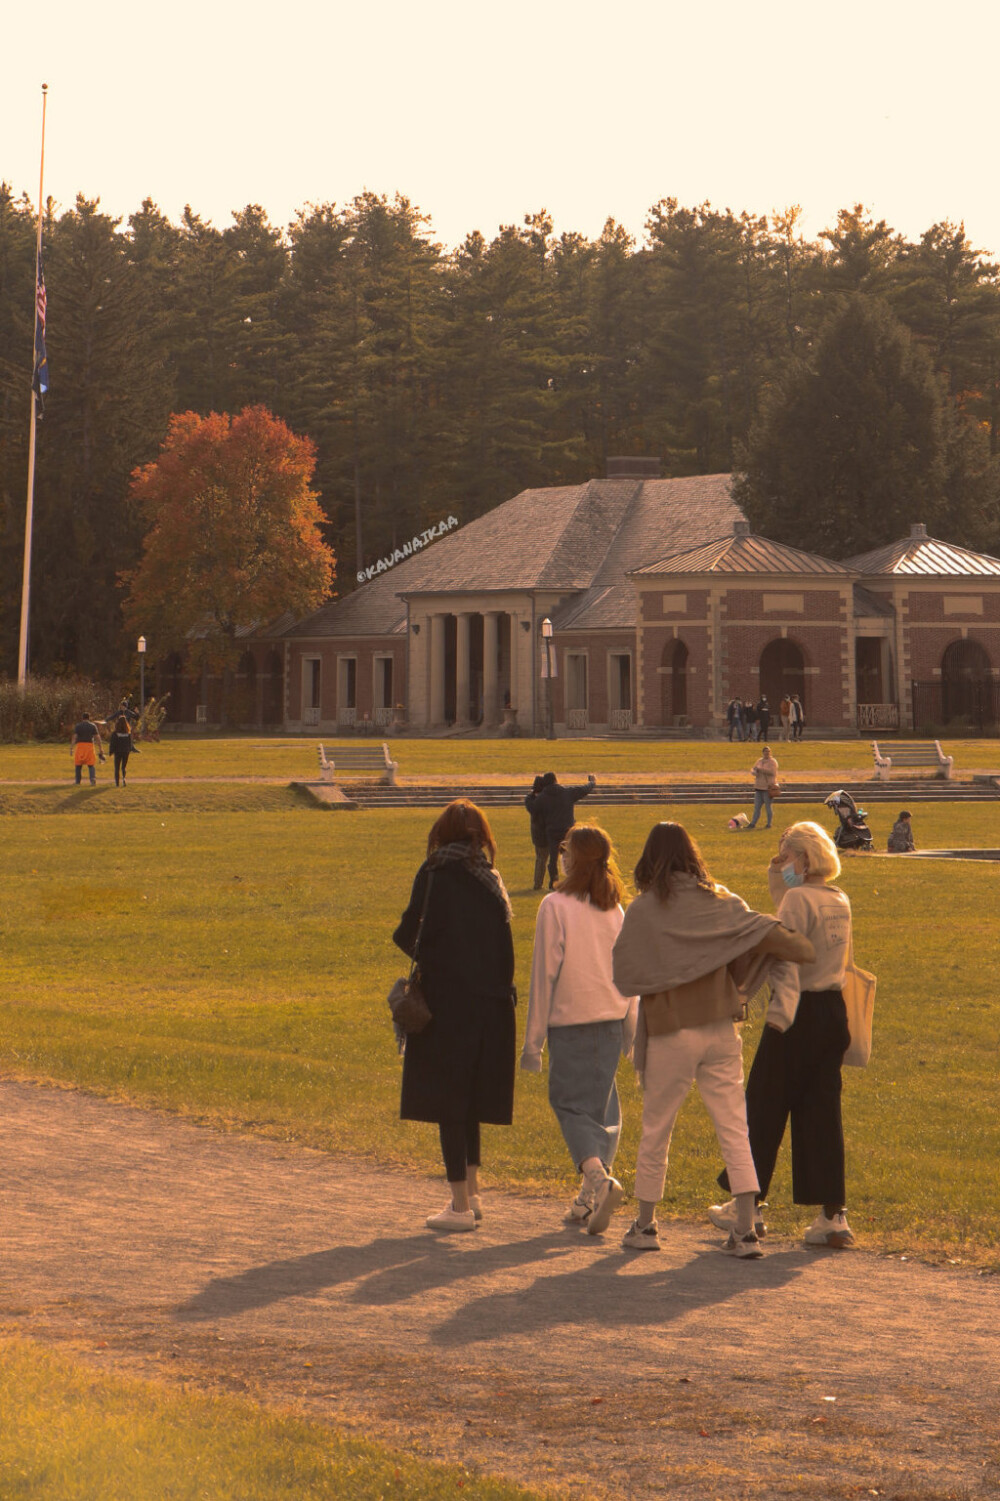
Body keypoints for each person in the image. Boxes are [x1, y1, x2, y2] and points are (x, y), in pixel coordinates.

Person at [612, 822, 814, 1257]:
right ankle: (745, 1229)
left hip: (670, 1030)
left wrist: (670, 969)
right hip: (722, 1028)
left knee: (656, 1130)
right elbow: (780, 940)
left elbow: (624, 976)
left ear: (649, 858)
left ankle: (645, 1226)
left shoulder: (644, 910)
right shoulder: (722, 901)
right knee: (734, 1128)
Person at [711, 820, 856, 1250]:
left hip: (797, 1011)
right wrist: (779, 876)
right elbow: (790, 918)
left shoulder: (798, 898)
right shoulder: (837, 898)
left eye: (786, 854)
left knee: (763, 1104)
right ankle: (833, 1214)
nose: (781, 861)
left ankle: (748, 1205)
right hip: (833, 1010)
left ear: (804, 857)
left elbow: (781, 945)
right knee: (822, 1111)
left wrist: (766, 1008)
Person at [393, 799, 516, 1232]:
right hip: (491, 1004)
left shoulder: (433, 873)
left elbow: (408, 931)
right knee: (472, 1098)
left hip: (447, 1002)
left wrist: (433, 959)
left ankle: (459, 1205)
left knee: (449, 1100)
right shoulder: (491, 879)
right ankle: (475, 1192)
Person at [522, 825, 638, 1234]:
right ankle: (588, 1201)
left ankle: (597, 1180)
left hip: (571, 1021)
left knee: (571, 1105)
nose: (562, 855)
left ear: (575, 857)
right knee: (603, 1109)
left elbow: (544, 977)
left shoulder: (555, 905)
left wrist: (532, 1043)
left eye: (566, 849)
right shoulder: (615, 908)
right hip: (610, 1018)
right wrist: (630, 1028)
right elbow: (629, 975)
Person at [532, 771, 597, 890]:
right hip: (568, 830)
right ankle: (573, 879)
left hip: (552, 831)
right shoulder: (567, 792)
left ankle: (553, 881)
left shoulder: (542, 798)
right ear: (556, 780)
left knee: (553, 858)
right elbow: (584, 789)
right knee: (572, 855)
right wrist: (592, 782)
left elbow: (534, 809)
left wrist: (533, 794)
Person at [525, 775, 551, 892]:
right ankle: (539, 884)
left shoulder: (529, 799)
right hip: (545, 833)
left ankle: (538, 883)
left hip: (536, 833)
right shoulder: (543, 800)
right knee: (543, 859)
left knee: (540, 858)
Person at [748, 745, 779, 829]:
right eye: (765, 751)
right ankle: (753, 823)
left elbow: (772, 772)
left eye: (768, 751)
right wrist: (754, 772)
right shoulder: (759, 761)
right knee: (756, 807)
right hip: (758, 787)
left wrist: (761, 770)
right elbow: (754, 770)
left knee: (768, 807)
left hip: (767, 788)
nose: (767, 753)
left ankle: (769, 824)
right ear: (763, 753)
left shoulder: (773, 761)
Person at [70, 711, 104, 786]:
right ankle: (92, 779)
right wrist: (100, 748)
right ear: (89, 718)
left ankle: (77, 781)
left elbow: (74, 737)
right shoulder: (92, 726)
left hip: (80, 746)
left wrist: (71, 748)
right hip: (89, 746)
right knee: (91, 764)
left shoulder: (78, 726)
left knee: (78, 764)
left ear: (82, 718)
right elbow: (97, 738)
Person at [108, 715, 134, 787]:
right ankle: (124, 779)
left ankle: (117, 783)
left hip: (117, 752)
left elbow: (112, 743)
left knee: (117, 767)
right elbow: (130, 743)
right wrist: (129, 749)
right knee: (123, 767)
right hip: (126, 752)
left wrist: (111, 751)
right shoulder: (128, 734)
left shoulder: (115, 734)